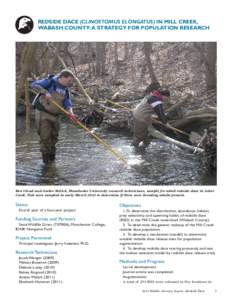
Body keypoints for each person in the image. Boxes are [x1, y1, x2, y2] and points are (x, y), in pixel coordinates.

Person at [31, 69, 76, 164]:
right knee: (45, 138)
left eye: (72, 81)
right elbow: (34, 84)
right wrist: (45, 92)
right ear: (63, 77)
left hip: (56, 117)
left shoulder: (65, 90)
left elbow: (67, 103)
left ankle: (52, 161)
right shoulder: (50, 81)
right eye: (69, 81)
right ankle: (46, 164)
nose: (71, 83)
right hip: (43, 114)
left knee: (54, 139)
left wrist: (71, 112)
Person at [132, 82, 170, 149]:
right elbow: (160, 113)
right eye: (167, 98)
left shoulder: (153, 95)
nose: (167, 100)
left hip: (139, 114)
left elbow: (158, 111)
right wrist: (165, 123)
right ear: (164, 96)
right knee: (139, 137)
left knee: (147, 137)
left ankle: (142, 151)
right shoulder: (156, 100)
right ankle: (133, 151)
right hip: (141, 117)